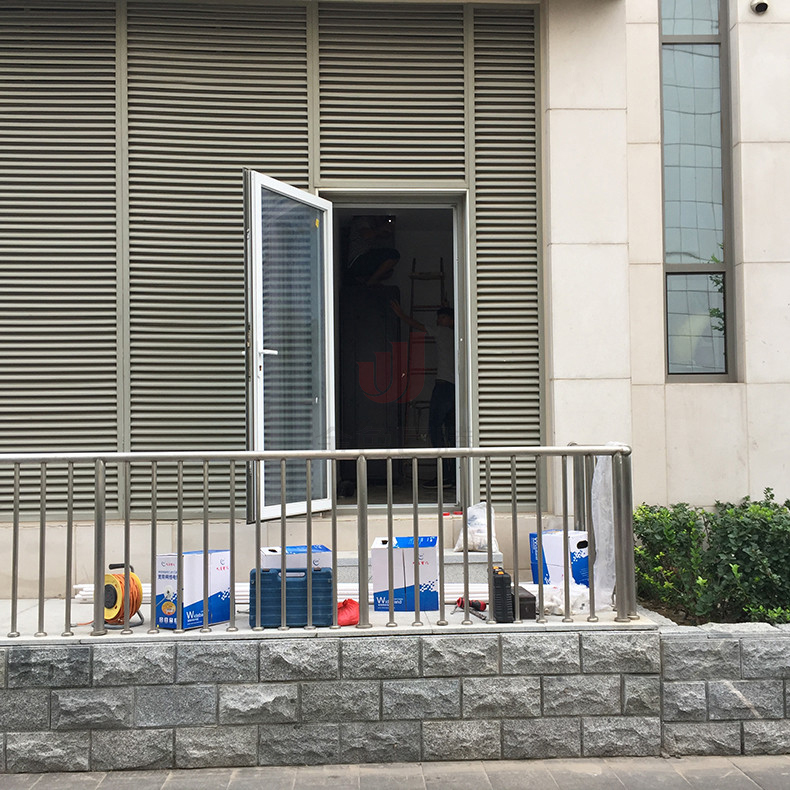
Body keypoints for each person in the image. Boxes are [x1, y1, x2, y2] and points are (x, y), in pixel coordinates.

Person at [391, 301, 455, 487]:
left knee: (434, 429)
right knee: (451, 432)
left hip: (443, 386)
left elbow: (417, 325)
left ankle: (444, 476)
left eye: (443, 317)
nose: (439, 321)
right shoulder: (458, 333)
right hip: (454, 388)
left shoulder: (442, 332)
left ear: (451, 320)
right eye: (439, 318)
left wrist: (401, 314)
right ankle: (452, 476)